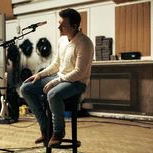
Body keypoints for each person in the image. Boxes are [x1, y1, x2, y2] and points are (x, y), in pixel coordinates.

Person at [20, 8, 94, 147]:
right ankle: (45, 128)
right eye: (59, 23)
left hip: (77, 82)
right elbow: (56, 64)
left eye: (63, 25)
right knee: (25, 88)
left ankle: (59, 131)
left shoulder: (85, 43)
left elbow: (79, 72)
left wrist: (56, 81)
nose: (59, 27)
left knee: (53, 94)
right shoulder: (62, 40)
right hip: (60, 77)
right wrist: (39, 74)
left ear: (74, 26)